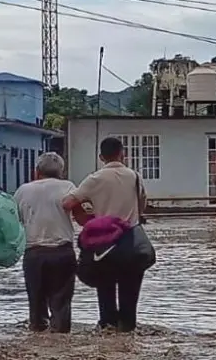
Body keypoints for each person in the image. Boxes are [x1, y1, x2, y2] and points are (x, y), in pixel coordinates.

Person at [63, 137, 149, 333]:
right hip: (131, 245)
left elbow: (67, 203)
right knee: (130, 298)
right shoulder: (134, 176)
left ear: (101, 157)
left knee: (106, 294)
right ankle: (128, 338)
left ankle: (108, 336)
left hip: (104, 246)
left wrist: (89, 219)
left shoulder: (95, 179)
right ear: (123, 153)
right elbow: (142, 206)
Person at [14, 152, 80, 333]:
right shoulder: (68, 186)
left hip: (34, 254)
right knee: (61, 306)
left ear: (36, 172)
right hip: (63, 253)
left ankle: (37, 338)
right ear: (61, 172)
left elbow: (16, 222)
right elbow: (80, 215)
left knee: (36, 307)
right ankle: (59, 341)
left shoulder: (23, 190)